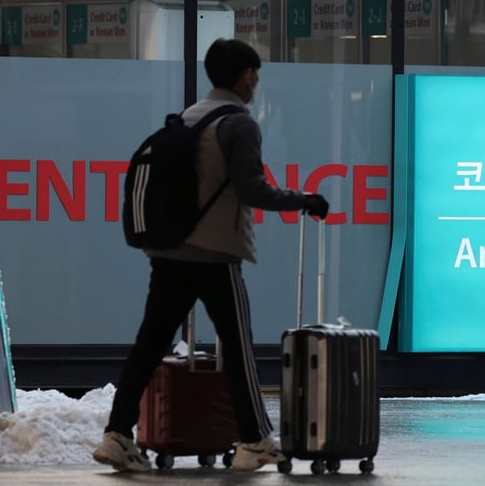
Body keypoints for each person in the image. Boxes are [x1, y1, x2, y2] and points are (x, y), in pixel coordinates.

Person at [93, 38, 329, 472]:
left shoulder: (189, 117)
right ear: (245, 76)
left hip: (169, 251)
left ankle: (117, 434)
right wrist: (304, 199)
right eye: (254, 73)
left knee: (149, 344)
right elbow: (253, 189)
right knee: (237, 346)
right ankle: (255, 440)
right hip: (214, 254)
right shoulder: (239, 124)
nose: (257, 81)